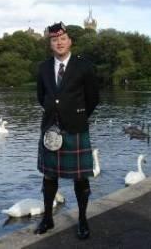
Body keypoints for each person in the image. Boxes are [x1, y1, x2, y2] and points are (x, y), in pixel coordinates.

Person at [35, 21, 100, 239]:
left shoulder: (84, 66)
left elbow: (93, 98)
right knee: (49, 177)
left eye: (62, 39)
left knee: (81, 178)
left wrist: (77, 116)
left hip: (75, 129)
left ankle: (82, 219)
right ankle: (47, 218)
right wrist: (55, 114)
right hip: (50, 129)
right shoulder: (43, 67)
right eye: (54, 40)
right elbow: (41, 97)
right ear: (50, 44)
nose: (59, 43)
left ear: (69, 41)